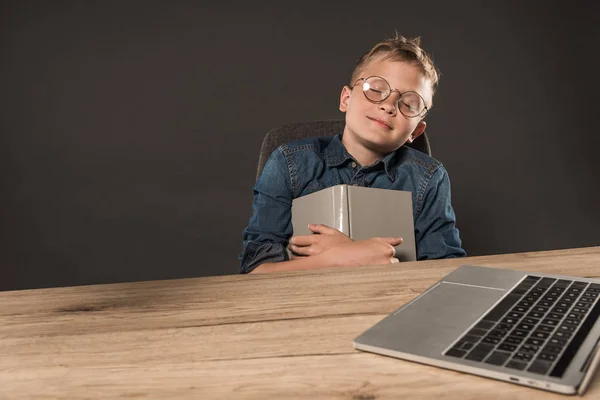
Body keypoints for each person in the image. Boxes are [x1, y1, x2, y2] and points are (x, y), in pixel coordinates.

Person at [239, 33, 466, 274]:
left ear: (416, 131)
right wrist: (341, 257)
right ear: (346, 99)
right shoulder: (288, 162)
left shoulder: (430, 178)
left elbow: (445, 272)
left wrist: (361, 254)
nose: (388, 105)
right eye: (376, 90)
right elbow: (255, 271)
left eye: (409, 104)